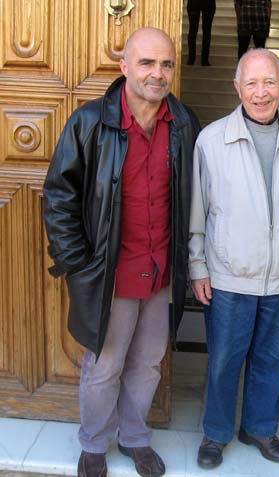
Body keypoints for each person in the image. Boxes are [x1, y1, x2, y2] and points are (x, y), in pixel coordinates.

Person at [43, 27, 200, 477]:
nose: (158, 73)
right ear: (124, 66)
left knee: (148, 362)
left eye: (166, 63)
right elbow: (58, 196)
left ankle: (134, 438)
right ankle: (94, 443)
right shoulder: (91, 122)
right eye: (147, 62)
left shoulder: (184, 123)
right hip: (111, 272)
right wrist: (77, 265)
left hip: (163, 268)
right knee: (104, 364)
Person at [188, 48, 279, 469]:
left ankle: (261, 429)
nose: (261, 93)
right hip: (230, 276)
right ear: (237, 87)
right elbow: (198, 208)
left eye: (269, 83)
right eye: (251, 83)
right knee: (225, 361)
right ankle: (216, 434)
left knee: (273, 360)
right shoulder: (211, 140)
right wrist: (197, 264)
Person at [186, 0, 216, 66]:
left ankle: (191, 59)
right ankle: (204, 60)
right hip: (208, 3)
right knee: (206, 32)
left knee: (193, 31)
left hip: (194, 3)